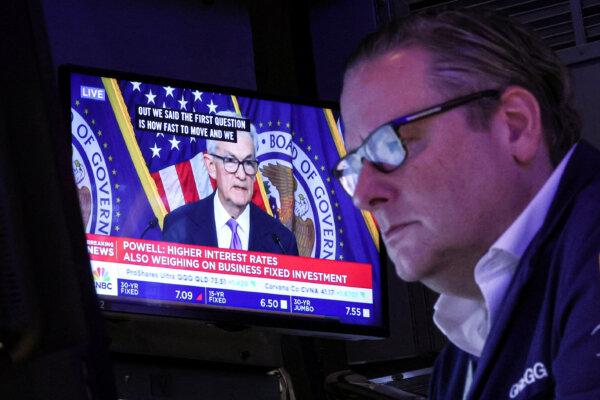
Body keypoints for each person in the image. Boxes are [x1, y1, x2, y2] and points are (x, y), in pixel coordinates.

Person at [333, 9, 600, 400]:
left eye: (391, 144)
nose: (363, 195)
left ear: (515, 125)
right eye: (355, 165)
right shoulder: (457, 364)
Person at [162, 121, 298, 256]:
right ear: (211, 166)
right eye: (231, 161)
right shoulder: (179, 225)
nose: (242, 175)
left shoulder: (282, 241)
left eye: (248, 163)